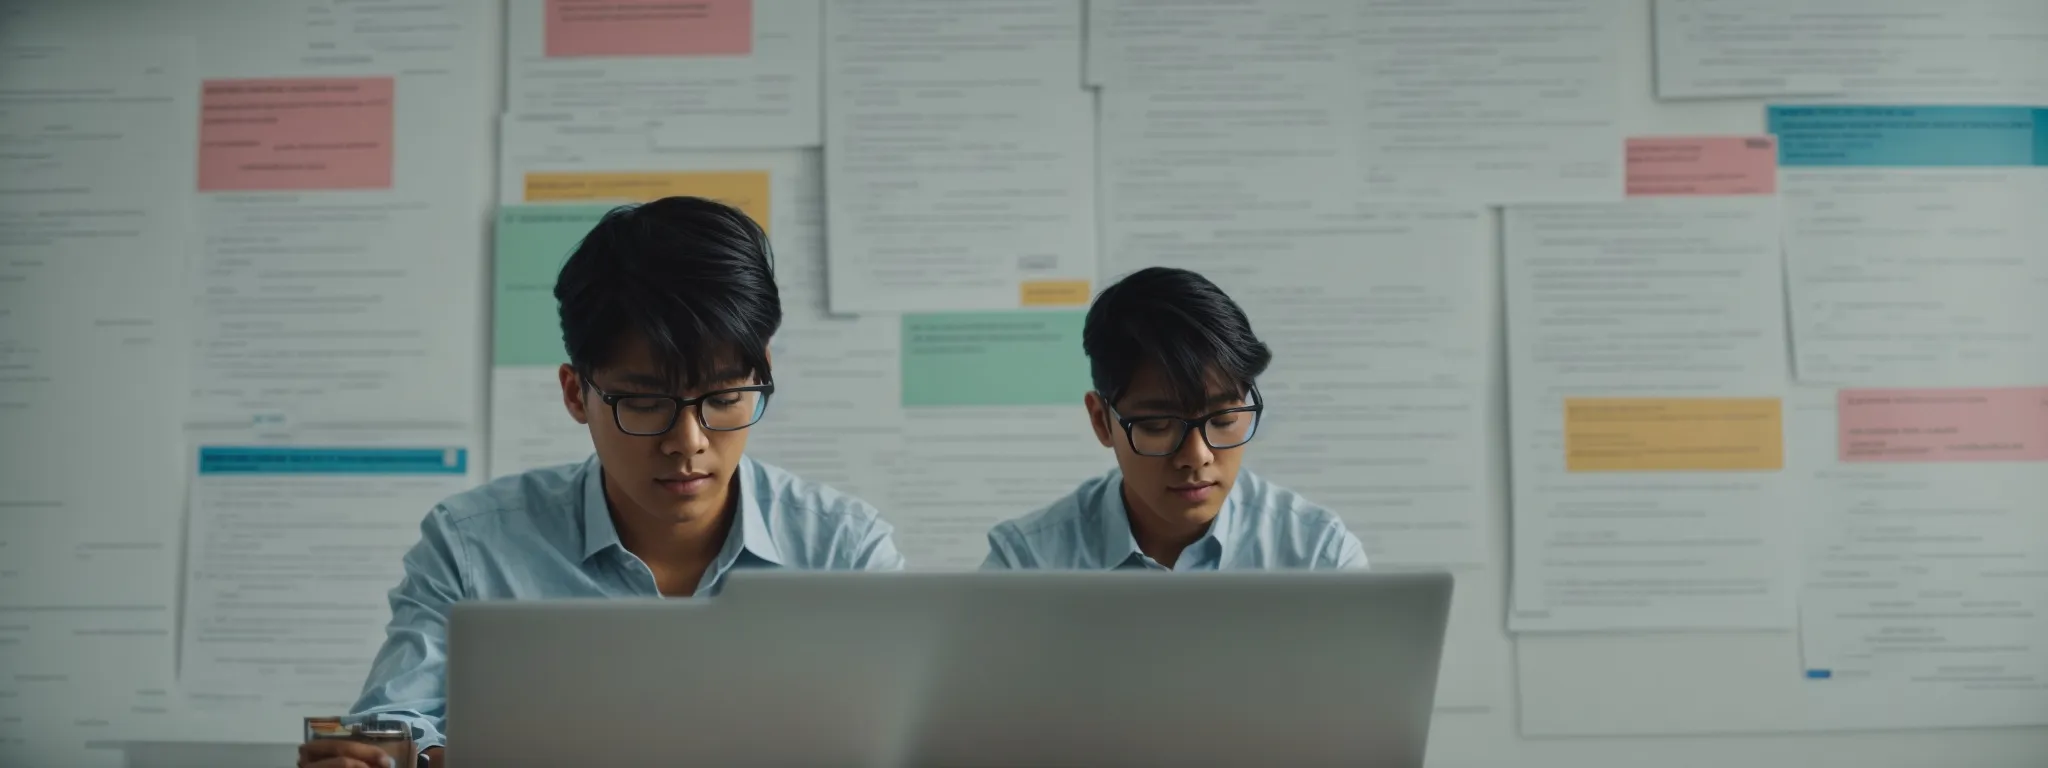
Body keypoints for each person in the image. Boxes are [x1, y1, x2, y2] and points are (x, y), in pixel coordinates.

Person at [299, 197, 905, 768]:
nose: (688, 441)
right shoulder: (471, 545)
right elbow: (391, 726)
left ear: (764, 373)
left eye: (723, 397)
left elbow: (906, 739)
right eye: (644, 403)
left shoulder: (843, 550)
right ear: (575, 394)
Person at [980, 266, 1366, 571]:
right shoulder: (1027, 564)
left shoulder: (1318, 556)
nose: (1197, 456)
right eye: (1157, 425)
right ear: (1102, 421)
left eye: (1225, 417)